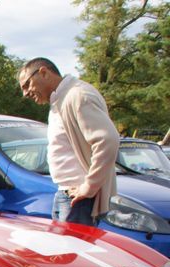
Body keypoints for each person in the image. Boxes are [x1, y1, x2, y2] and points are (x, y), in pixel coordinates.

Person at [19, 57, 118, 226]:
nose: (25, 93)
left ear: (43, 72)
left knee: (70, 251)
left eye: (27, 85)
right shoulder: (60, 99)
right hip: (66, 193)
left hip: (79, 197)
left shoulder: (78, 95)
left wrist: (89, 187)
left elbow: (108, 140)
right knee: (63, 250)